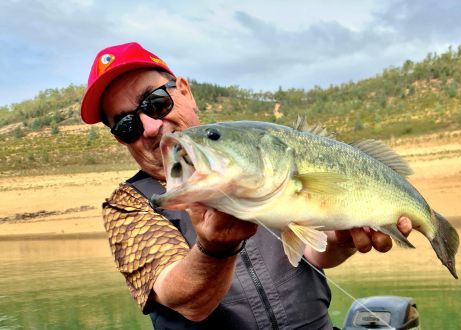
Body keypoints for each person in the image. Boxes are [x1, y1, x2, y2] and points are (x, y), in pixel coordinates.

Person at [80, 42, 412, 330]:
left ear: (184, 90)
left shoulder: (263, 156)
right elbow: (186, 301)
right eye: (126, 125)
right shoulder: (128, 205)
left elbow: (313, 254)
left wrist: (341, 241)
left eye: (155, 103)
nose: (151, 127)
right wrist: (215, 249)